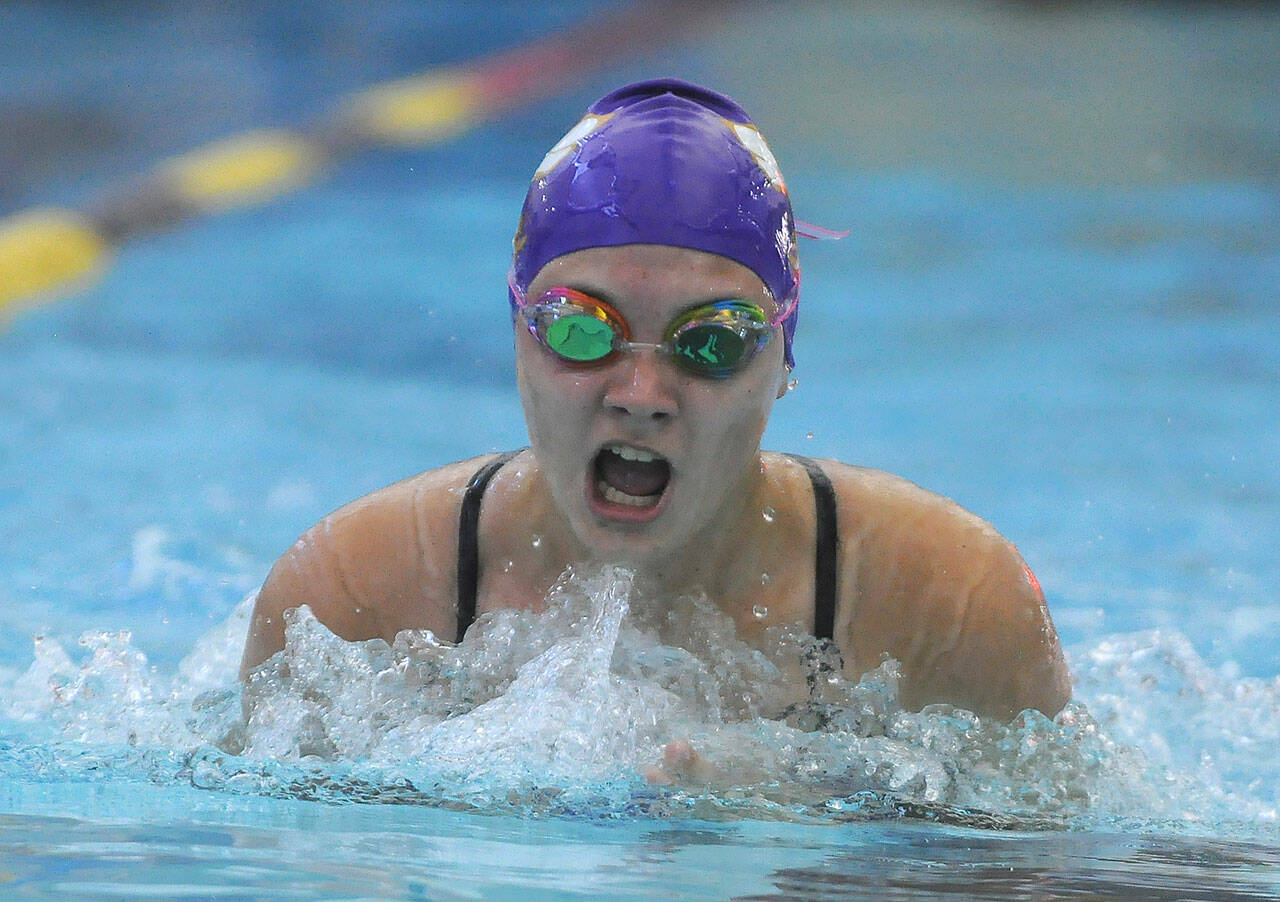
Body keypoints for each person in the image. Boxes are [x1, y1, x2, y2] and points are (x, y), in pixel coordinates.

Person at [239, 79, 1070, 727]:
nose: (641, 396)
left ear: (783, 359)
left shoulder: (947, 604)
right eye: (581, 330)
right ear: (520, 337)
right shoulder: (356, 598)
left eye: (713, 340)